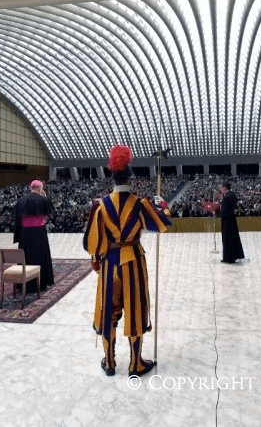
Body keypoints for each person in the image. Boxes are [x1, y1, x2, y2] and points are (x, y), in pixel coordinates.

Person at [84, 144, 170, 377]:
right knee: (135, 310)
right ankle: (135, 364)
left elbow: (93, 243)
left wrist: (96, 260)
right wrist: (163, 206)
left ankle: (110, 362)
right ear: (130, 178)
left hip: (109, 263)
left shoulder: (100, 205)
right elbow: (161, 225)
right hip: (133, 262)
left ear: (111, 177)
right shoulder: (140, 204)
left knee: (108, 312)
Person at [13, 180, 55, 291]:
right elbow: (49, 214)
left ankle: (23, 283)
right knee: (39, 256)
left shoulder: (21, 200)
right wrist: (45, 198)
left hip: (25, 234)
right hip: (39, 233)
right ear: (40, 188)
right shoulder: (43, 199)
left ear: (30, 187)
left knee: (26, 256)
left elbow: (16, 219)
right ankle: (41, 283)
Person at [216, 181, 245, 263]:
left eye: (220, 187)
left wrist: (216, 213)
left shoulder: (228, 196)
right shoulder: (231, 195)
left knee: (228, 239)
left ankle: (229, 258)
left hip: (227, 220)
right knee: (232, 238)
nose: (219, 189)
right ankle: (233, 256)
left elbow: (225, 210)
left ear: (225, 187)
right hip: (230, 219)